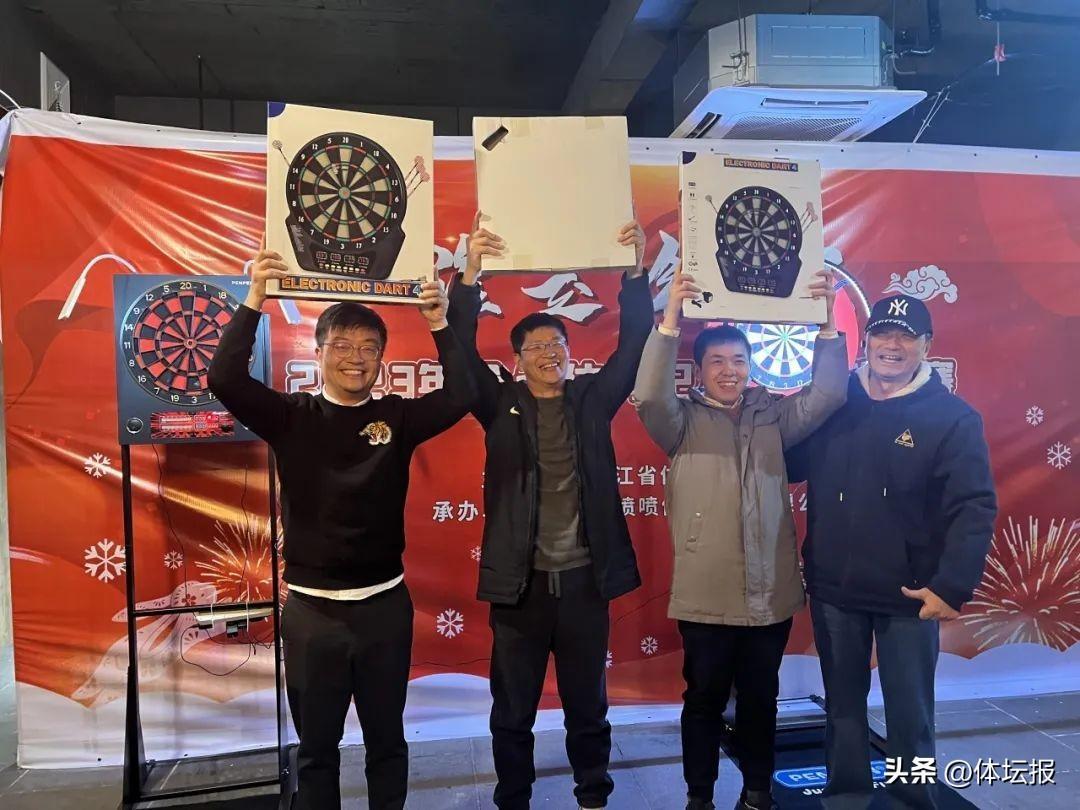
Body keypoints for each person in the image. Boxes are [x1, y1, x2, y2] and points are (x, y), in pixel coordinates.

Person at [207, 242, 476, 810]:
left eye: (369, 348)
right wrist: (254, 297)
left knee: (387, 743)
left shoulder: (397, 417)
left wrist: (439, 322)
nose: (357, 357)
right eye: (343, 345)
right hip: (312, 615)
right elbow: (224, 378)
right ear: (320, 351)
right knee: (316, 752)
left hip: (384, 610)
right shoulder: (291, 416)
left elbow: (464, 393)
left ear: (381, 358)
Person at [446, 212, 651, 810]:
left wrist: (635, 273)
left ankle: (593, 790)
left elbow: (633, 345)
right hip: (521, 587)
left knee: (589, 702)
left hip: (586, 582)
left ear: (569, 352)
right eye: (535, 347)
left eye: (556, 344)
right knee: (512, 708)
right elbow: (458, 353)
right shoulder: (498, 404)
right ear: (518, 358)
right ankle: (513, 796)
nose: (547, 354)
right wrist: (469, 277)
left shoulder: (593, 399)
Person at [632, 264, 848, 810]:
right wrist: (671, 318)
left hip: (770, 593)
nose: (729, 371)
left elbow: (828, 393)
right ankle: (699, 797)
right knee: (703, 700)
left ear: (751, 367)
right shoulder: (679, 422)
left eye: (738, 361)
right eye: (717, 362)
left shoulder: (774, 416)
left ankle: (757, 794)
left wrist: (826, 322)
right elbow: (649, 396)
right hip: (706, 595)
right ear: (699, 370)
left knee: (760, 700)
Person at [786, 293, 997, 810]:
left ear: (927, 345)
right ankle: (846, 795)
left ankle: (912, 800)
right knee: (843, 709)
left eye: (906, 336)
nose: (892, 345)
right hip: (834, 588)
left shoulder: (952, 417)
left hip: (912, 595)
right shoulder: (834, 402)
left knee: (910, 714)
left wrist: (951, 586)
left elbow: (973, 506)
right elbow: (788, 463)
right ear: (866, 340)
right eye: (883, 333)